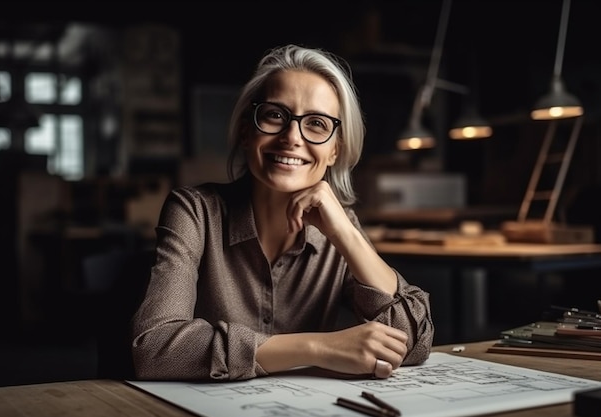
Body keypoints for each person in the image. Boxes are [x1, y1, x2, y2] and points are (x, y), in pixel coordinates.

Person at [131, 44, 434, 381]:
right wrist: (320, 348)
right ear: (247, 130)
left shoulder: (339, 224)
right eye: (275, 115)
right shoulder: (194, 211)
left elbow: (415, 340)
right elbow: (153, 349)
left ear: (335, 150)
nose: (292, 137)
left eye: (317, 124)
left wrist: (346, 235)